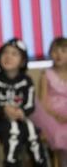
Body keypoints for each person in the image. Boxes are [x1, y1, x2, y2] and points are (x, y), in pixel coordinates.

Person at [0, 38, 47, 167]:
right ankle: (11, 163)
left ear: (23, 61)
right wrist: (4, 109)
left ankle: (40, 162)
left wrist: (21, 111)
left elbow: (30, 105)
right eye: (5, 53)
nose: (8, 57)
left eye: (14, 54)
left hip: (21, 119)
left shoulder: (27, 81)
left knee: (32, 131)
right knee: (14, 131)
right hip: (0, 121)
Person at [31, 37, 67, 167]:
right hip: (51, 115)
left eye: (63, 50)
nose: (58, 54)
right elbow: (42, 102)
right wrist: (57, 116)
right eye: (55, 51)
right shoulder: (46, 74)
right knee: (62, 135)